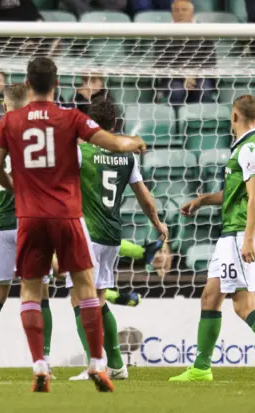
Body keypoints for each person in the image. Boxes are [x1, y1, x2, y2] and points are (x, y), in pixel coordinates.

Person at [0, 57, 146, 392]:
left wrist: (18, 188)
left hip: (29, 216)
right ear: (56, 84)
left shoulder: (10, 120)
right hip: (66, 214)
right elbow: (114, 143)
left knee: (30, 289)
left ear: (28, 84)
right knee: (86, 287)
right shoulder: (70, 117)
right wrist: (135, 142)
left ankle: (40, 364)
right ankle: (97, 364)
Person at [169, 95, 255, 383]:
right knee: (209, 297)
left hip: (239, 236)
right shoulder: (243, 149)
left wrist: (247, 239)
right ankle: (202, 367)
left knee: (243, 306)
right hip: (229, 236)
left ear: (235, 116)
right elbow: (237, 194)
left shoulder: (251, 150)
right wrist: (204, 199)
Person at [67, 97, 168, 381]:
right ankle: (116, 365)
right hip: (112, 235)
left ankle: (94, 366)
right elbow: (144, 195)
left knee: (79, 300)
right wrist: (157, 223)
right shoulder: (127, 156)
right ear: (115, 124)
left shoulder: (80, 153)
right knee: (98, 301)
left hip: (85, 233)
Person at [0, 84, 53, 380]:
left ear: (5, 106)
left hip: (3, 226)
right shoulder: (41, 138)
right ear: (30, 104)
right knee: (40, 294)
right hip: (34, 223)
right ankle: (42, 360)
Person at [155, 0, 216, 106]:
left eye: (184, 10)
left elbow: (210, 60)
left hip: (200, 75)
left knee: (205, 90)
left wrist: (193, 74)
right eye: (177, 10)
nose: (180, 13)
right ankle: (177, 121)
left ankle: (201, 119)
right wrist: (184, 76)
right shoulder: (163, 33)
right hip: (172, 77)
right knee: (176, 92)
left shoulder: (204, 31)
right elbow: (161, 62)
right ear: (172, 13)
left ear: (192, 12)